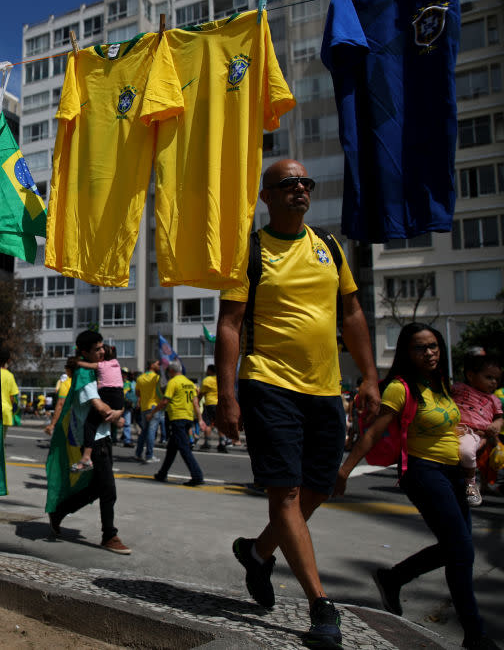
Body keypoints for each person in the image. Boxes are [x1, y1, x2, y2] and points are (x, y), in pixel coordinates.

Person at [215, 159, 380, 648]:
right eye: (287, 184)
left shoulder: (329, 246)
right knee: (284, 493)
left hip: (326, 387)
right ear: (266, 197)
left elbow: (351, 313)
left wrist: (369, 376)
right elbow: (229, 325)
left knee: (321, 486)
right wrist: (228, 395)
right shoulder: (249, 250)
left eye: (305, 183)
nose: (300, 190)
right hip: (269, 382)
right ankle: (319, 604)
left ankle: (258, 552)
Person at [336, 325, 499, 650]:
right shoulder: (401, 388)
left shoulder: (442, 386)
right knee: (462, 549)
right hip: (423, 472)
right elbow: (371, 433)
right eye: (420, 347)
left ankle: (395, 580)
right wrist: (344, 471)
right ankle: (475, 633)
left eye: (434, 346)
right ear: (406, 353)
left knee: (458, 551)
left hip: (453, 472)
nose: (430, 353)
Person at [48, 331, 130, 555]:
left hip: (103, 437)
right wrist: (116, 413)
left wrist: (119, 411)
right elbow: (99, 406)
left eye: (103, 347)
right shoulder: (84, 374)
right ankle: (109, 535)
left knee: (96, 488)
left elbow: (115, 400)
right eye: (97, 349)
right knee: (108, 490)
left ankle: (59, 511)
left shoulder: (101, 370)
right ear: (84, 353)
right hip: (93, 440)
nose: (102, 352)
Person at [451, 353, 503, 507]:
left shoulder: (493, 399)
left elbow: (500, 417)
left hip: (472, 433)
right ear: (471, 375)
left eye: (497, 379)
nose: (494, 382)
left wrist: (498, 424)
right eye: (489, 377)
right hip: (450, 430)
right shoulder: (458, 388)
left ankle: (471, 485)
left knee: (467, 452)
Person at [72, 344, 123, 471]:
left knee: (90, 424)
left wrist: (77, 362)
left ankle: (86, 458)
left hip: (107, 394)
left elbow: (101, 408)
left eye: (101, 351)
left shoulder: (100, 365)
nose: (99, 352)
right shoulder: (116, 363)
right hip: (119, 395)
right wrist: (118, 413)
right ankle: (116, 419)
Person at [153, 364, 205, 486]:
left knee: (184, 448)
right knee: (172, 449)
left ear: (171, 371)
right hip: (188, 417)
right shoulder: (190, 383)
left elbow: (165, 401)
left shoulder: (173, 382)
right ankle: (162, 473)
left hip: (177, 417)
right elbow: (196, 403)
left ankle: (197, 475)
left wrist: (152, 413)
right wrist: (200, 419)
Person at [134, 360, 163, 462]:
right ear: (151, 365)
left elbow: (137, 393)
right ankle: (149, 455)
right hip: (154, 407)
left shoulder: (140, 378)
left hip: (144, 407)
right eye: (157, 364)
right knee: (151, 431)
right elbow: (161, 392)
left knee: (144, 431)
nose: (159, 366)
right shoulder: (157, 378)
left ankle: (138, 453)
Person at [44, 358, 76, 437]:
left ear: (67, 369)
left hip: (69, 422)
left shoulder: (66, 382)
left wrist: (52, 424)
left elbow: (60, 404)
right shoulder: (92, 379)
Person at [198, 364, 226, 452]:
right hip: (220, 404)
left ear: (210, 371)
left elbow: (201, 393)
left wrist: (197, 401)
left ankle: (207, 443)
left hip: (210, 404)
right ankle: (222, 444)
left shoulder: (207, 380)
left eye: (207, 370)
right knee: (220, 425)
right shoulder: (221, 379)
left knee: (208, 424)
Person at [0, 350, 20, 430]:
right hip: (5, 411)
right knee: (1, 440)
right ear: (8, 360)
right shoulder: (9, 376)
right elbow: (12, 397)